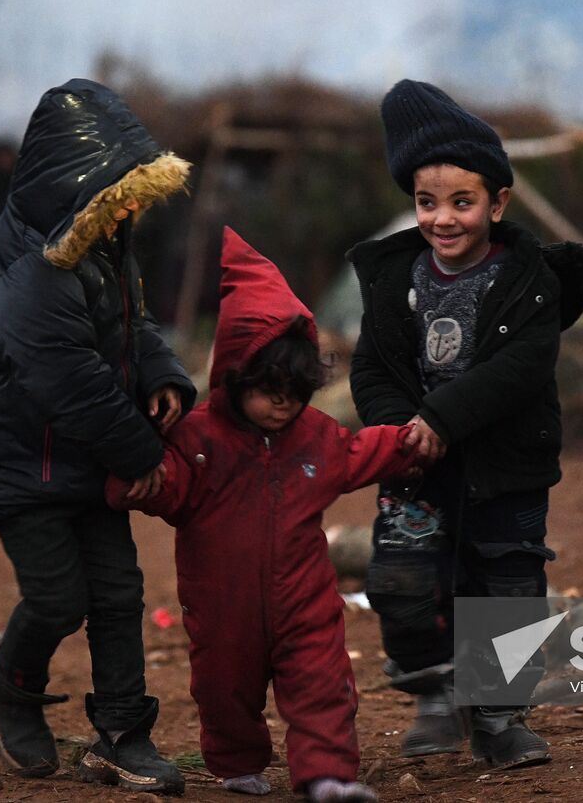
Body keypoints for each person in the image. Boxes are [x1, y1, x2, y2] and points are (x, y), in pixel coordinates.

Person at [108, 228, 429, 802]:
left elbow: (361, 451)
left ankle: (326, 777)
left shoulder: (315, 436)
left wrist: (414, 440)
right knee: (223, 689)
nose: (282, 402)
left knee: (324, 683)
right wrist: (134, 483)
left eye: (295, 389)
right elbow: (169, 488)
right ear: (235, 376)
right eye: (267, 389)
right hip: (220, 605)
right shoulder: (199, 438)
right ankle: (235, 760)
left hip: (304, 599)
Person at [0, 78, 197, 793]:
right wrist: (141, 453)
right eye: (119, 191)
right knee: (60, 596)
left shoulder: (101, 244)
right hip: (24, 460)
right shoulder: (38, 272)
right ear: (78, 187)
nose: (131, 207)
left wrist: (164, 375)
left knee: (120, 592)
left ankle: (123, 734)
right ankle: (12, 687)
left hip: (87, 451)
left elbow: (130, 329)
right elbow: (68, 379)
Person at [348, 79, 583, 768]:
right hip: (417, 467)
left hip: (504, 468)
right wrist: (401, 430)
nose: (443, 217)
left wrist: (443, 416)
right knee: (407, 578)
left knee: (507, 587)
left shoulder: (528, 280)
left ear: (498, 201)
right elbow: (371, 371)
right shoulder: (396, 280)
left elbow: (522, 366)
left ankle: (499, 717)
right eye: (427, 202)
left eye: (462, 201)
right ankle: (434, 696)